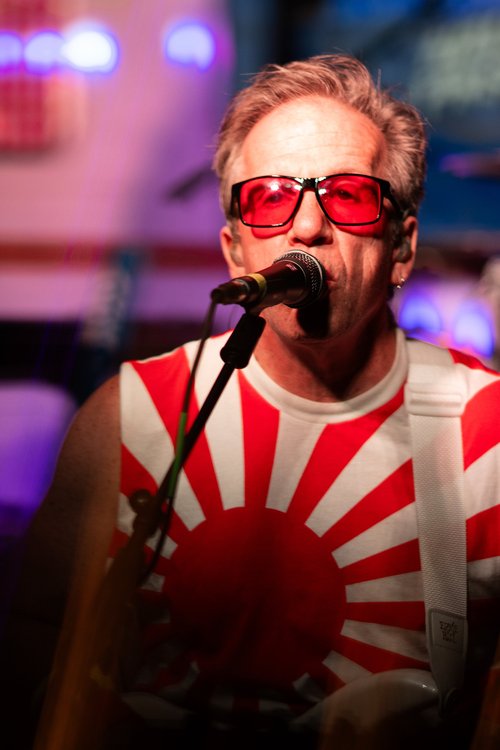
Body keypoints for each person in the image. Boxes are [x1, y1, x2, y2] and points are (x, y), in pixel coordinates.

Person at [2, 54, 500, 749]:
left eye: (348, 195)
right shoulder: (128, 417)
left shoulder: (487, 433)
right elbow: (35, 633)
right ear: (235, 252)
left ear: (402, 248)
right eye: (269, 198)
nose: (306, 228)